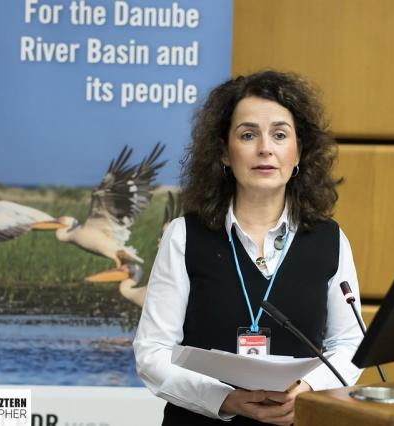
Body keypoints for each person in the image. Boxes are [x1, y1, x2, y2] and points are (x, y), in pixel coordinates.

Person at [134, 70, 364, 425]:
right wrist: (227, 399)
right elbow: (152, 354)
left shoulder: (330, 239)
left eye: (280, 134)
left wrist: (307, 389)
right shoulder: (183, 236)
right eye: (247, 135)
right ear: (224, 153)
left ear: (299, 152)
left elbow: (350, 346)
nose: (265, 148)